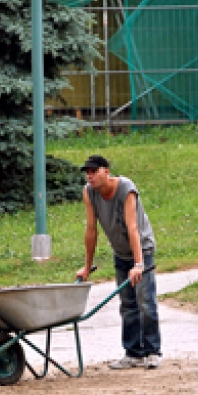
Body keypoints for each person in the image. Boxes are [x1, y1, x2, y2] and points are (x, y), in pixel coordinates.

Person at [75, 154, 161, 369]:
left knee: (145, 302)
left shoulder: (126, 188)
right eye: (87, 173)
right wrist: (87, 266)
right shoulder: (89, 192)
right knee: (127, 304)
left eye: (94, 172)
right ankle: (133, 353)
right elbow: (91, 230)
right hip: (121, 253)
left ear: (106, 171)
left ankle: (152, 351)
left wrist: (139, 264)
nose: (90, 176)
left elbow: (133, 228)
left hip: (142, 250)